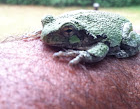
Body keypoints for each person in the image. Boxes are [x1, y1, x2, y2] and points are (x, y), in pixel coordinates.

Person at [0, 33, 140, 109]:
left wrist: (86, 54)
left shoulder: (89, 36)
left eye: (67, 31)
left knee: (130, 42)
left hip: (118, 32)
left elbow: (102, 46)